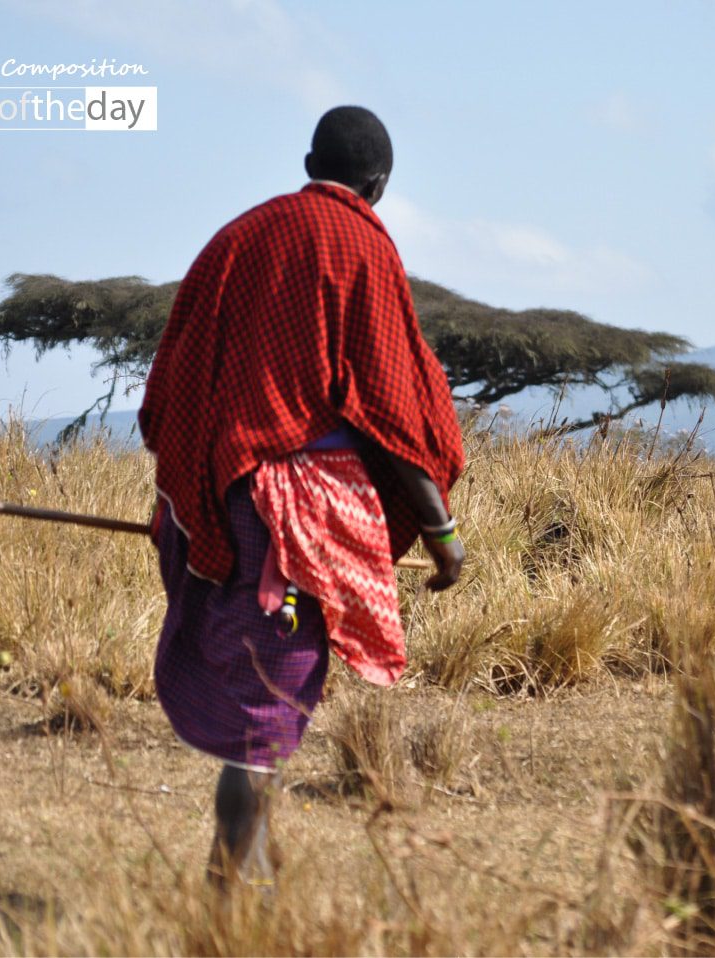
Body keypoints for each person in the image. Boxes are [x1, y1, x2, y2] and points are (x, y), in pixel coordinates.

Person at [138, 105, 466, 891]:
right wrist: (441, 532)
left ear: (307, 159)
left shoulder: (235, 238)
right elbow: (394, 412)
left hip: (226, 500)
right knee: (269, 696)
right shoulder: (362, 244)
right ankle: (237, 881)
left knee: (262, 689)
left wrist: (198, 491)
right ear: (378, 185)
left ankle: (245, 868)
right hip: (302, 524)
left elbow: (175, 380)